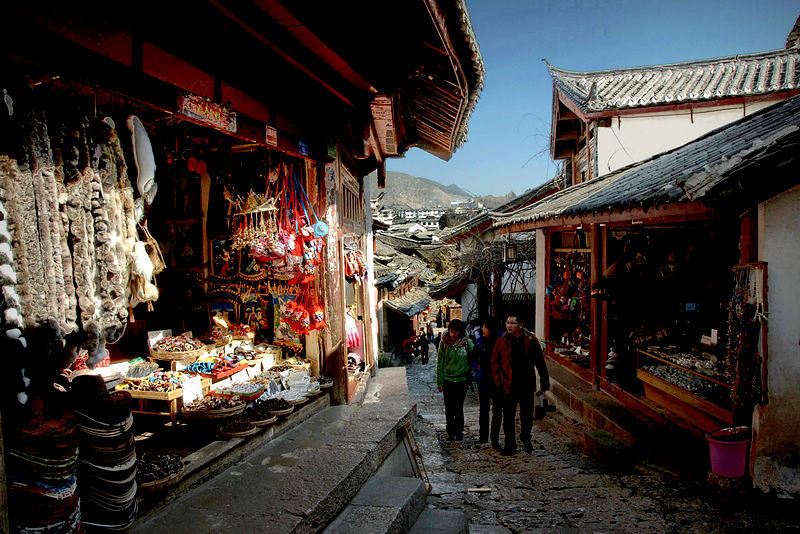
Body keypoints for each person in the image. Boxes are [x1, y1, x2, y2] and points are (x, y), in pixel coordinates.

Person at [491, 314, 550, 456]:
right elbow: (495, 363)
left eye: (513, 323)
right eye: (507, 322)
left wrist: (544, 381)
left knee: (527, 415)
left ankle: (525, 437)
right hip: (508, 383)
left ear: (521, 325)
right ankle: (510, 445)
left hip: (526, 383)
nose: (509, 326)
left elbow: (540, 363)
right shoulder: (502, 341)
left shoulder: (531, 341)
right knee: (509, 416)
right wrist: (498, 381)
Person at [436, 319, 473, 443]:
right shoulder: (444, 344)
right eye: (451, 332)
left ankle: (459, 433)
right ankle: (450, 432)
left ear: (460, 332)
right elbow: (439, 363)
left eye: (455, 332)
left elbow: (473, 357)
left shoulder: (467, 343)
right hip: (448, 380)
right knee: (449, 408)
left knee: (459, 408)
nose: (453, 335)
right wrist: (439, 382)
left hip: (462, 380)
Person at [473, 317, 502, 448]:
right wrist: (476, 367)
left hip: (496, 380)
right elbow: (473, 357)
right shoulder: (479, 341)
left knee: (497, 410)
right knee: (484, 409)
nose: (482, 329)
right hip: (483, 379)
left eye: (485, 327)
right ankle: (483, 437)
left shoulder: (501, 343)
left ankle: (494, 439)